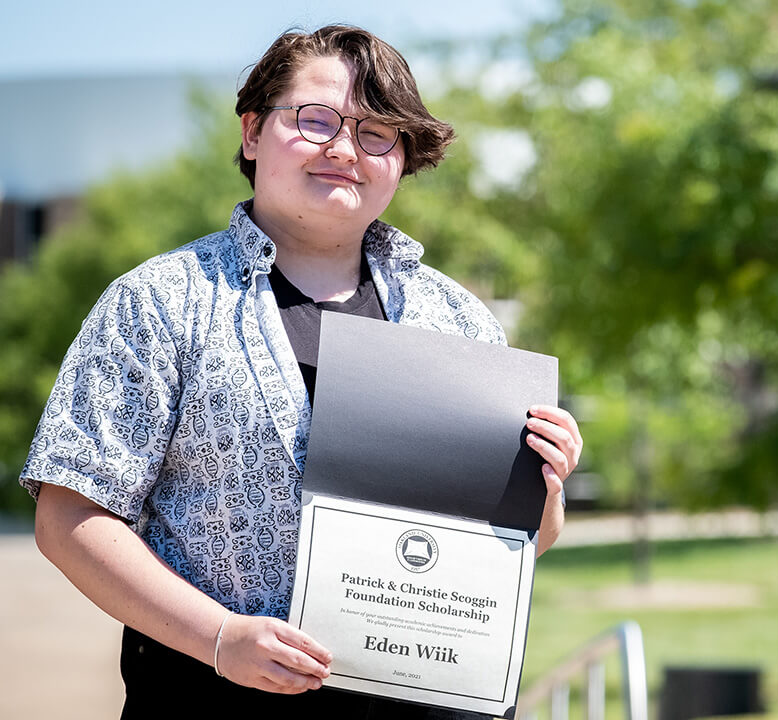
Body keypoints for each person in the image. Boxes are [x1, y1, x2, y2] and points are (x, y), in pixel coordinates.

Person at [22, 24, 582, 719]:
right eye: (315, 120)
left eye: (378, 133)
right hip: (212, 694)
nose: (344, 149)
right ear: (253, 133)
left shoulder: (460, 320)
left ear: (403, 161)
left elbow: (514, 547)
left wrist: (544, 490)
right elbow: (69, 515)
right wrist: (222, 638)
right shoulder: (160, 302)